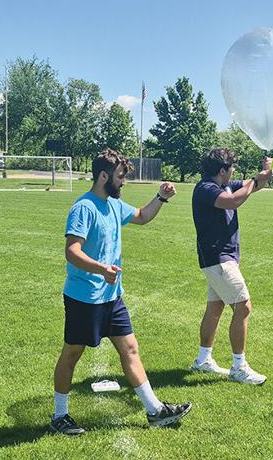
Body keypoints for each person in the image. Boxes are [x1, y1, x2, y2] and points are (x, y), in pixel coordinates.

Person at [50, 149, 192, 435]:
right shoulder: (84, 208)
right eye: (120, 176)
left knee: (130, 349)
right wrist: (101, 269)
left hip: (112, 297)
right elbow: (71, 251)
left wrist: (161, 198)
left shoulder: (114, 205)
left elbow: (141, 216)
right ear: (104, 176)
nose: (124, 182)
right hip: (84, 297)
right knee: (72, 354)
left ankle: (154, 410)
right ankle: (59, 416)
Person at [189, 147, 272, 385]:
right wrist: (257, 178)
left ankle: (203, 360)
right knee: (243, 307)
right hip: (218, 259)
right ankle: (239, 367)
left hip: (221, 259)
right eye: (232, 166)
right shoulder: (206, 188)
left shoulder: (227, 183)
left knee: (215, 309)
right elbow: (232, 202)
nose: (234, 170)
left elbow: (251, 187)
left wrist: (264, 174)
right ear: (222, 170)